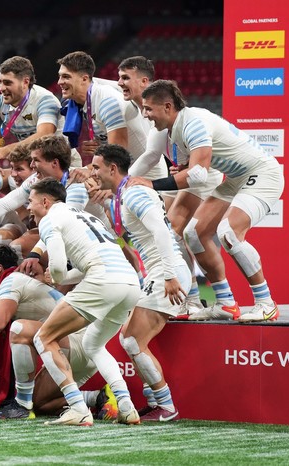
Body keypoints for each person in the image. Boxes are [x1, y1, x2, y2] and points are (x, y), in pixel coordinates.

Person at [131, 80, 284, 322]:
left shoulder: (194, 122)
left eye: (149, 109)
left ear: (168, 106)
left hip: (263, 174)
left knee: (229, 233)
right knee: (193, 234)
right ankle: (225, 303)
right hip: (236, 179)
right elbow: (188, 170)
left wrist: (150, 183)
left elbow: (198, 175)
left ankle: (266, 303)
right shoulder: (175, 129)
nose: (146, 114)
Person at [0, 245, 115, 421]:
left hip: (76, 343)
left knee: (19, 328)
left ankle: (21, 405)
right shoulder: (17, 281)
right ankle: (98, 397)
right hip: (76, 349)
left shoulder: (11, 280)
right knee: (39, 403)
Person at [28, 177, 141, 426]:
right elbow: (91, 262)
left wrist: (55, 277)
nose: (28, 207)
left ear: (45, 201)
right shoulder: (87, 216)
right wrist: (63, 276)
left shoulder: (50, 219)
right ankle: (126, 404)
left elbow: (57, 268)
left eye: (31, 201)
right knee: (93, 344)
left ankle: (77, 407)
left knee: (43, 338)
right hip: (130, 283)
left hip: (104, 281)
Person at [91, 144, 190, 421]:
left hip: (166, 271)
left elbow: (160, 229)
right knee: (129, 338)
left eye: (96, 167)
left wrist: (169, 275)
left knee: (132, 340)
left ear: (113, 168)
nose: (93, 172)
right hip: (156, 272)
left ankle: (167, 406)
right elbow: (131, 241)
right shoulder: (123, 196)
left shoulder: (134, 193)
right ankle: (156, 401)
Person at [119, 56, 223, 317]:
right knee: (180, 234)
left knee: (183, 233)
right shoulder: (149, 115)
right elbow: (152, 155)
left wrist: (133, 182)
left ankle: (203, 298)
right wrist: (125, 181)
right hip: (181, 177)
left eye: (125, 78)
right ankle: (197, 298)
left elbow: (161, 160)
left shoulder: (179, 115)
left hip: (201, 178)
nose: (119, 83)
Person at [0, 135, 90, 261]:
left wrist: (35, 254)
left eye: (36, 160)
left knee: (21, 246)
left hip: (84, 243)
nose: (33, 166)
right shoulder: (36, 180)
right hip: (59, 237)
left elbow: (63, 227)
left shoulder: (77, 184)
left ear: (54, 163)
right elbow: (6, 203)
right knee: (11, 243)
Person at [57, 51, 166, 179]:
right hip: (120, 170)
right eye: (60, 76)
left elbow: (118, 150)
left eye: (66, 77)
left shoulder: (107, 102)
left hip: (145, 174)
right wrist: (103, 144)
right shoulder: (86, 100)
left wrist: (88, 169)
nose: (60, 82)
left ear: (85, 79)